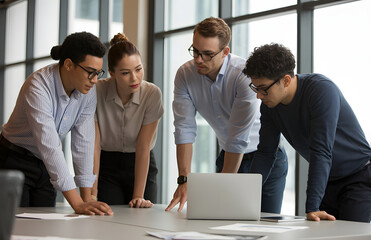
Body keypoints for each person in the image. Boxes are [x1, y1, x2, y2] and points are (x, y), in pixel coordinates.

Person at [243, 43, 371, 223]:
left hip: (358, 177)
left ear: (285, 80)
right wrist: (245, 199)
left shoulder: (321, 90)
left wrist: (312, 207)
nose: (259, 96)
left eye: (263, 88)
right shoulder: (270, 106)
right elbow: (266, 153)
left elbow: (321, 151)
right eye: (255, 88)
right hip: (327, 180)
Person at [165, 17, 288, 213]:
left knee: (265, 225)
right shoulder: (184, 75)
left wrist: (223, 189)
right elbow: (184, 128)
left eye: (207, 54)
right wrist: (184, 179)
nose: (198, 59)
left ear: (225, 52)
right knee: (224, 222)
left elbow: (237, 137)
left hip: (266, 156)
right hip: (228, 155)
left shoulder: (244, 75)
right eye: (195, 51)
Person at [0, 32, 113, 215]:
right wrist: (77, 204)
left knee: (45, 227)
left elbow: (83, 144)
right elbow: (50, 146)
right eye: (90, 72)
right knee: (15, 226)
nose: (95, 80)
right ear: (69, 64)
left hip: (45, 166)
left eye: (98, 73)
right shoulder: (37, 86)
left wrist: (87, 200)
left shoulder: (88, 92)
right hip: (14, 159)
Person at [93, 33, 163, 208]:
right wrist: (91, 195)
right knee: (108, 218)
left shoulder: (151, 93)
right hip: (106, 165)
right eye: (125, 73)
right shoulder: (96, 92)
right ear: (111, 73)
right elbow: (93, 146)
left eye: (138, 69)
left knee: (141, 216)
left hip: (140, 162)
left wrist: (138, 196)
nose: (134, 78)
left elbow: (143, 146)